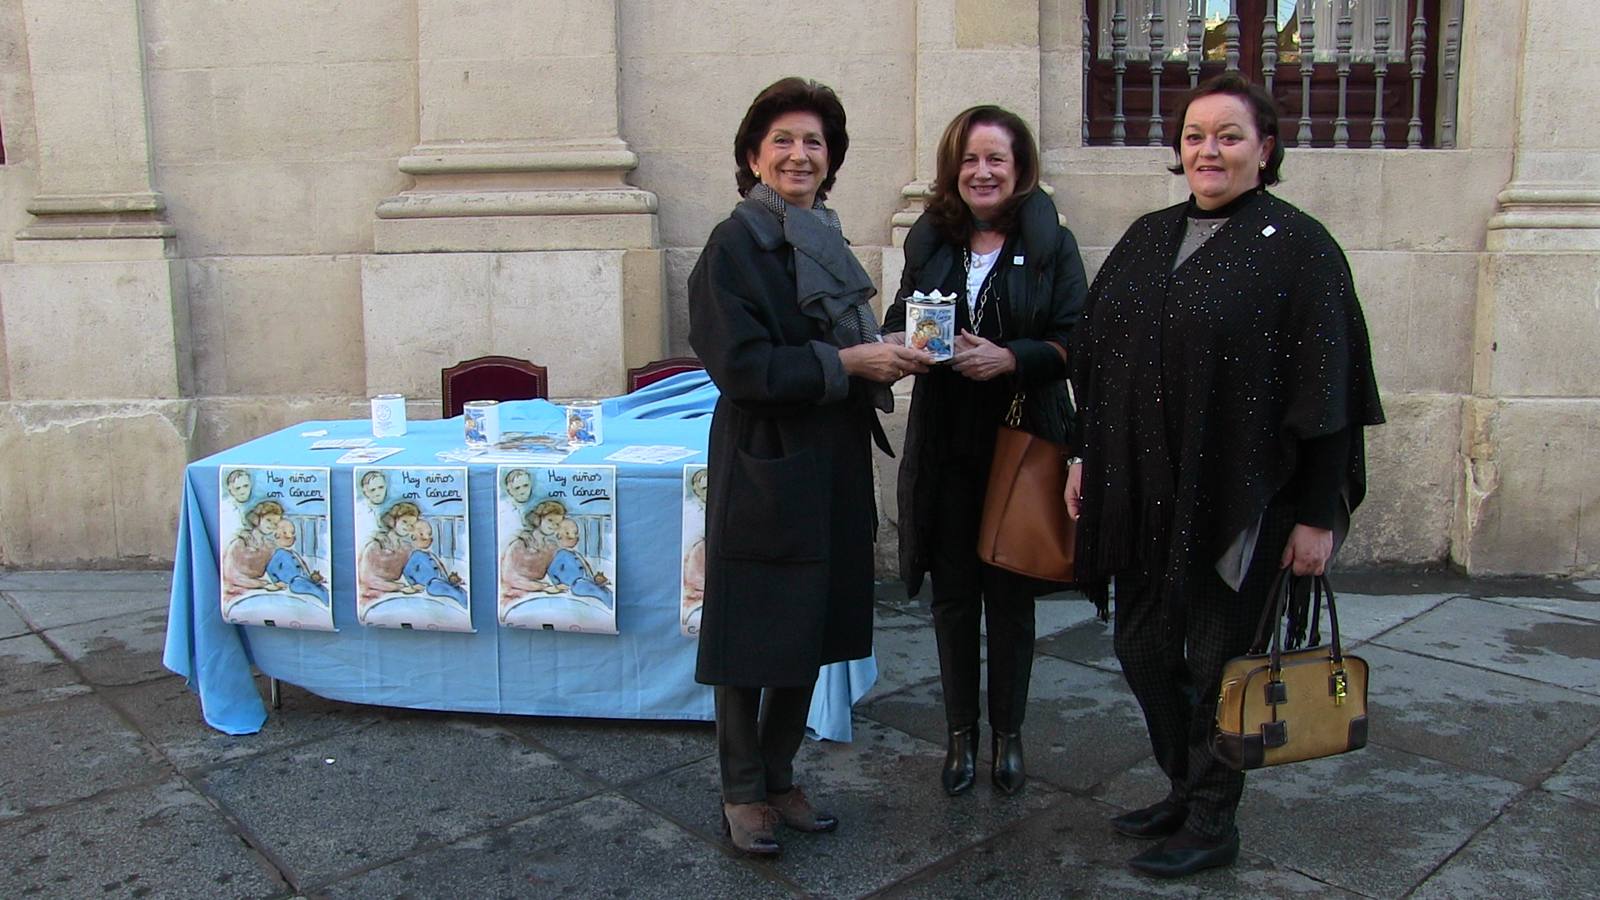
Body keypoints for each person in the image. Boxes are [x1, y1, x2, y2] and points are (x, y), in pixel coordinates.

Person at [1064, 73, 1384, 879]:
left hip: (1241, 505)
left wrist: (1317, 517)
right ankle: (1185, 783)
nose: (1210, 150)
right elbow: (1095, 355)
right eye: (1196, 135)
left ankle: (1212, 819)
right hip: (1139, 496)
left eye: (1230, 135)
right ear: (1179, 149)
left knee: (1217, 665)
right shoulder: (1146, 235)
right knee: (1140, 648)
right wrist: (1083, 455)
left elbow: (1330, 388)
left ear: (1265, 150)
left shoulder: (1302, 248)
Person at [687, 76, 931, 857]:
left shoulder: (823, 236)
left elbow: (842, 348)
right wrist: (847, 361)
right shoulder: (734, 245)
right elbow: (744, 367)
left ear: (832, 160)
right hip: (765, 459)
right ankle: (740, 789)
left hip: (827, 458)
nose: (800, 154)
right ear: (754, 156)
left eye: (815, 142)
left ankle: (781, 772)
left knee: (808, 625)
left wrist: (882, 361)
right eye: (784, 141)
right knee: (751, 631)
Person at [882, 105, 1087, 798]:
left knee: (1008, 593)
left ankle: (1008, 736)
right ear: (954, 169)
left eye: (996, 158)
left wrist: (1011, 358)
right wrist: (903, 344)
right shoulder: (931, 239)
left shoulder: (1051, 242)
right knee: (952, 599)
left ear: (1020, 169)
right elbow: (901, 316)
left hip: (1020, 440)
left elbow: (1077, 340)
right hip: (946, 442)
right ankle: (960, 737)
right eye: (970, 159)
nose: (983, 171)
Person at [358, 501, 423, 611]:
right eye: (404, 522)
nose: (408, 527)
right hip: (371, 596)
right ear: (393, 521)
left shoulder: (407, 549)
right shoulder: (375, 546)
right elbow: (366, 578)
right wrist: (399, 587)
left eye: (412, 524)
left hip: (395, 596)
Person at [222, 500, 286, 606]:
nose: (271, 525)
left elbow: (270, 571)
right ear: (257, 519)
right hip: (235, 590)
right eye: (268, 520)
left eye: (275, 523)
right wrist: (262, 585)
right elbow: (231, 575)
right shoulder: (241, 542)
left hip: (258, 590)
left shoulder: (270, 547)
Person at [545, 519, 613, 609]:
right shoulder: (561, 554)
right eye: (570, 535)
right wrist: (557, 585)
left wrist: (594, 579)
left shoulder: (576, 554)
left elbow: (586, 570)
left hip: (585, 582)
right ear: (559, 537)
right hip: (576, 584)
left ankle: (611, 606)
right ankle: (610, 606)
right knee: (599, 592)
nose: (576, 537)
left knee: (605, 590)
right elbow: (552, 570)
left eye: (576, 534)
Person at [401, 519, 468, 607]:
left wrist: (449, 579)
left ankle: (467, 602)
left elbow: (441, 570)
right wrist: (414, 585)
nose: (428, 537)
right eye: (422, 534)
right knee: (453, 592)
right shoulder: (416, 555)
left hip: (440, 582)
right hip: (431, 585)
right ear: (413, 537)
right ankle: (465, 603)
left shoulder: (431, 555)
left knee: (459, 590)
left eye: (429, 534)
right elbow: (407, 571)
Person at [264, 519, 330, 605]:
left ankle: (328, 601)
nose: (291, 536)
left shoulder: (294, 553)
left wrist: (311, 577)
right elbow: (271, 569)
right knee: (315, 590)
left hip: (303, 580)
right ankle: (326, 602)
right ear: (277, 536)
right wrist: (276, 582)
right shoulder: (279, 554)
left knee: (321, 588)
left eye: (292, 532)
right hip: (294, 583)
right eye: (285, 533)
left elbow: (303, 568)